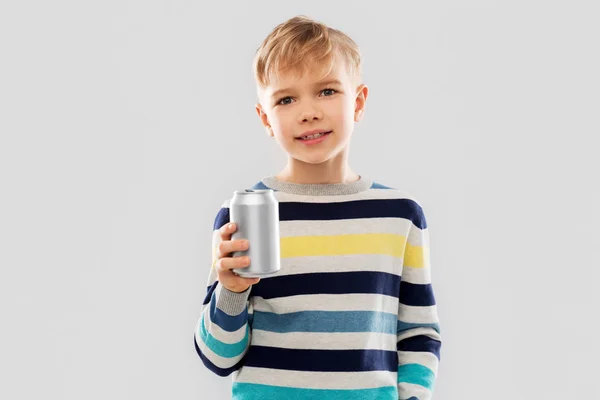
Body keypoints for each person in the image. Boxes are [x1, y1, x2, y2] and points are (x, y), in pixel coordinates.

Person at [194, 15, 442, 400]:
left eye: (326, 91)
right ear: (266, 119)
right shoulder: (242, 216)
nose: (308, 111)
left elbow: (418, 333)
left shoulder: (400, 214)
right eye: (286, 99)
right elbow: (218, 358)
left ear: (358, 101)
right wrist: (231, 291)